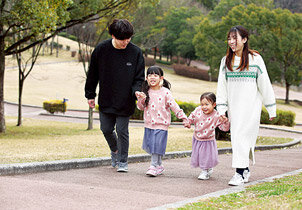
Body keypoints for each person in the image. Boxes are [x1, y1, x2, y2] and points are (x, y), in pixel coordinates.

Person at [216, 25, 276, 186]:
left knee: (242, 137)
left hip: (251, 108)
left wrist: (271, 108)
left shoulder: (256, 59)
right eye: (229, 38)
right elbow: (221, 87)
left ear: (244, 39)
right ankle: (244, 170)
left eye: (235, 38)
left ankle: (239, 173)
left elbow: (265, 84)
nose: (231, 41)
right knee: (238, 138)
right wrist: (221, 109)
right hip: (234, 109)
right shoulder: (225, 61)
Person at [84, 19, 145, 172]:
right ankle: (115, 150)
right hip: (106, 98)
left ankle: (123, 161)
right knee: (106, 129)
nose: (126, 42)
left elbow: (139, 78)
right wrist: (90, 94)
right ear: (112, 35)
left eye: (128, 38)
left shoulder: (136, 52)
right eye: (122, 39)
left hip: (126, 100)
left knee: (122, 130)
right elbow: (93, 74)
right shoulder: (101, 50)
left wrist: (137, 91)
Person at [136, 66, 188, 177]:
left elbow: (174, 106)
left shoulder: (165, 92)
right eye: (150, 75)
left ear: (161, 78)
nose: (152, 77)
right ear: (146, 78)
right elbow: (140, 107)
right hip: (149, 124)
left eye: (155, 75)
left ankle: (153, 166)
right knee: (153, 146)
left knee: (156, 144)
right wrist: (141, 99)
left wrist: (183, 117)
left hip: (161, 125)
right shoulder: (145, 91)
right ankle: (159, 165)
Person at [184, 92, 230, 180]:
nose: (204, 107)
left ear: (214, 105)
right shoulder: (198, 110)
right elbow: (192, 117)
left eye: (207, 104)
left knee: (206, 156)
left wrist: (225, 121)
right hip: (197, 138)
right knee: (200, 156)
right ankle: (207, 169)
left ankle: (205, 171)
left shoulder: (216, 115)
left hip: (208, 140)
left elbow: (224, 128)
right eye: (202, 104)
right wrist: (188, 122)